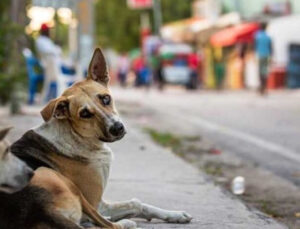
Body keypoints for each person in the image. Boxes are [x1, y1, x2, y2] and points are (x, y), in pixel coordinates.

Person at [255, 23, 272, 95]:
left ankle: (261, 87)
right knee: (265, 71)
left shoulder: (257, 36)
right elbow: (271, 47)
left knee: (260, 72)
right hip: (267, 56)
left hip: (260, 56)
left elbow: (254, 46)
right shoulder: (268, 36)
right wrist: (271, 56)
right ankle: (265, 87)